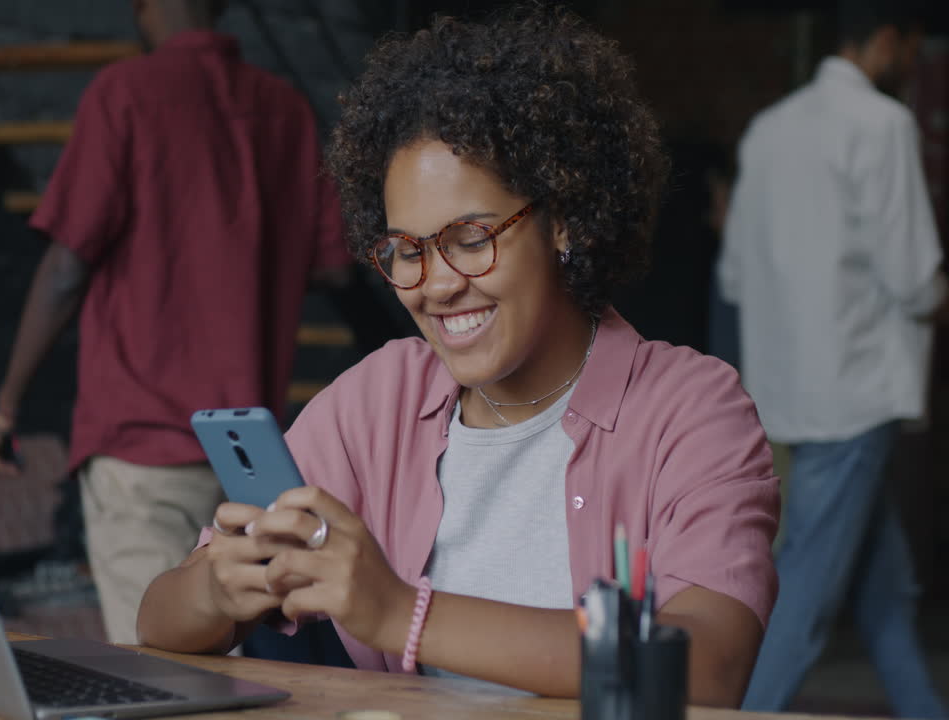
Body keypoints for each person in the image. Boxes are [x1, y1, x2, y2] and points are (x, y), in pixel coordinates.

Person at [138, 5, 779, 706]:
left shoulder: (691, 411)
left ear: (563, 217)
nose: (437, 285)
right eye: (405, 251)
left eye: (471, 238)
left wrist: (400, 612)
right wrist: (217, 584)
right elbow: (157, 624)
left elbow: (707, 670)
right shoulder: (375, 401)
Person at [0, 0, 351, 645]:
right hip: (248, 461)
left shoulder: (126, 93)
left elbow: (68, 267)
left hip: (142, 446)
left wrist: (7, 402)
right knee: (235, 672)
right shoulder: (286, 110)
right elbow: (333, 269)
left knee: (159, 676)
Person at [718, 0, 948, 716]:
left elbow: (733, 277)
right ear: (887, 40)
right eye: (912, 48)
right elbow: (912, 276)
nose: (912, 65)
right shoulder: (882, 124)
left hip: (793, 389)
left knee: (883, 593)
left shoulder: (769, 130)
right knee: (808, 592)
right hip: (859, 393)